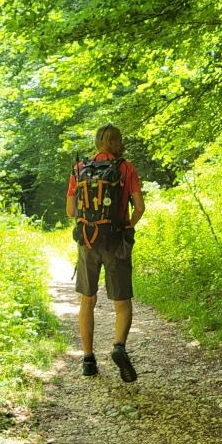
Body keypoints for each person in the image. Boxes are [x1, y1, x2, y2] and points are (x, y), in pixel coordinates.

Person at [66, 123, 145, 382]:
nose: (122, 143)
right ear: (113, 142)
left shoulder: (80, 169)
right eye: (120, 140)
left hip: (87, 242)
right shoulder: (126, 168)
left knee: (87, 300)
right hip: (116, 242)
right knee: (121, 302)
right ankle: (119, 346)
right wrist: (127, 225)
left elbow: (70, 211)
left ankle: (88, 360)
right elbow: (140, 207)